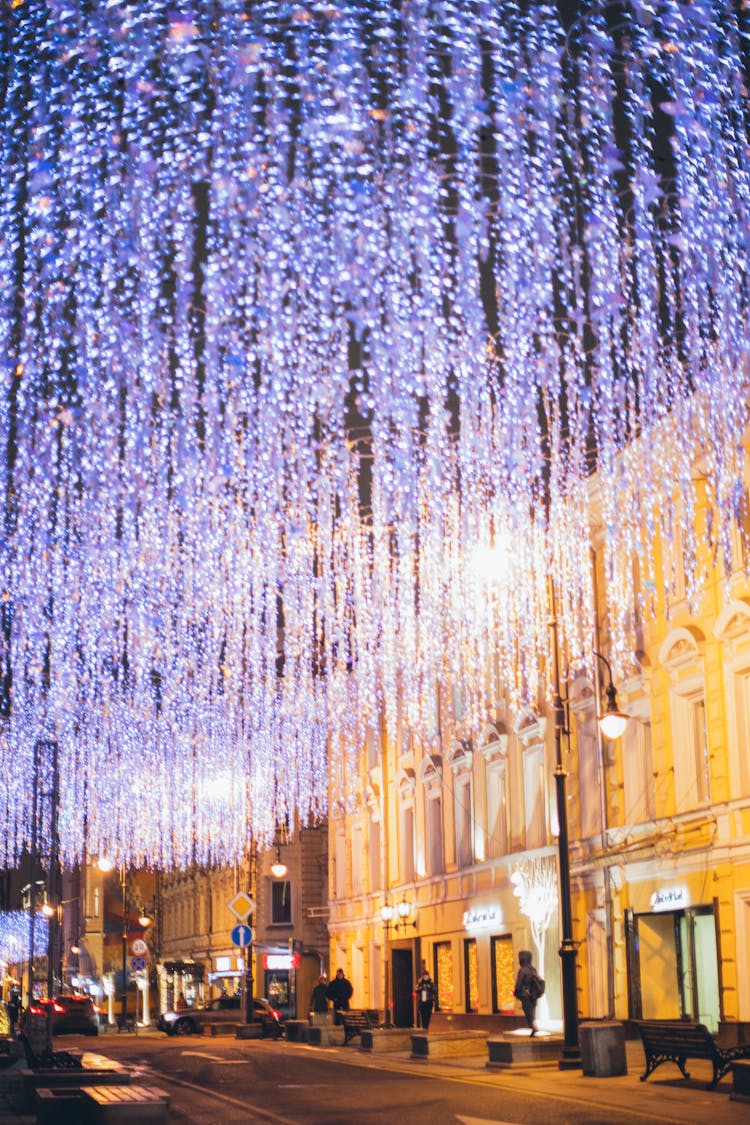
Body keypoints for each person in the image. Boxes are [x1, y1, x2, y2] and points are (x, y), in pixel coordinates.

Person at [513, 950, 541, 1037]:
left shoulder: (523, 970)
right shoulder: (533, 969)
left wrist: (516, 993)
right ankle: (533, 1028)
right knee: (532, 1013)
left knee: (529, 1013)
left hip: (525, 996)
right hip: (533, 996)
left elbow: (519, 984)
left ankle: (533, 1027)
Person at [415, 966, 437, 1031]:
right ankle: (424, 1028)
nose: (425, 977)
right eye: (424, 975)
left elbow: (435, 991)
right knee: (422, 1017)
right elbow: (416, 990)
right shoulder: (420, 982)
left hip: (429, 1002)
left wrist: (430, 988)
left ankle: (425, 1028)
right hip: (422, 1003)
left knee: (427, 1017)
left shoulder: (431, 982)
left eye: (426, 975)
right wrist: (420, 988)